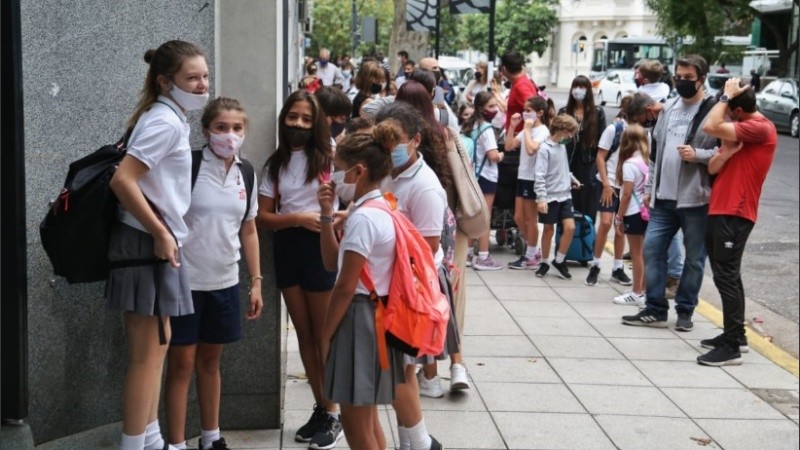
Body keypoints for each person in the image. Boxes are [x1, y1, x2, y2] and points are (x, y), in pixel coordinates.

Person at [107, 40, 208, 450]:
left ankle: (151, 440)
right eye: (192, 78)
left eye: (205, 76)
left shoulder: (169, 117)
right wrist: (162, 233)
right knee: (147, 358)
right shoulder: (164, 122)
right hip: (145, 242)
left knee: (158, 351)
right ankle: (136, 443)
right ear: (166, 82)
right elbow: (122, 180)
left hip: (152, 241)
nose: (203, 85)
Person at [165, 98, 263, 450]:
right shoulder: (188, 165)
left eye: (237, 128)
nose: (229, 135)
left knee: (210, 361)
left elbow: (248, 229)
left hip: (225, 282)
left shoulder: (246, 172)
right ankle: (176, 443)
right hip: (185, 282)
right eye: (221, 127)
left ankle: (210, 437)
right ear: (206, 130)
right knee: (182, 363)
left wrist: (256, 281)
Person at [256, 91, 344, 449]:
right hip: (287, 248)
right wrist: (297, 218)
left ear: (317, 122)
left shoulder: (330, 158)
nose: (299, 124)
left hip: (320, 247)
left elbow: (356, 201)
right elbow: (262, 217)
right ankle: (321, 407)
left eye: (307, 119)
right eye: (293, 117)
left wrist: (326, 218)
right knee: (304, 336)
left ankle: (334, 412)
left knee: (324, 335)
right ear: (283, 119)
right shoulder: (274, 164)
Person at [316, 130, 405, 450]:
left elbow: (344, 285)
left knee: (357, 428)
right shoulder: (378, 207)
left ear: (358, 171)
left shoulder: (364, 218)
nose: (334, 175)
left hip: (359, 319)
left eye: (339, 168)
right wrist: (326, 216)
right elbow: (332, 262)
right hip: (376, 315)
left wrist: (325, 336)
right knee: (368, 421)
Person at [622, 55, 719, 331]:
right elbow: (655, 154)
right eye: (678, 77)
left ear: (702, 79)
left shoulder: (713, 110)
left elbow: (724, 151)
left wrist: (698, 155)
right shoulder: (669, 109)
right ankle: (655, 308)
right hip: (663, 198)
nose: (682, 82)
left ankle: (685, 310)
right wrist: (649, 189)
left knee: (694, 259)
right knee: (652, 249)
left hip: (696, 199)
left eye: (688, 78)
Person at [369, 106, 444, 450]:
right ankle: (412, 441)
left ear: (416, 140)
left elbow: (428, 247)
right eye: (383, 139)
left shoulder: (425, 187)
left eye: (396, 140)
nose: (390, 147)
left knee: (402, 370)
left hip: (409, 290)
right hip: (391, 285)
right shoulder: (388, 171)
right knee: (402, 370)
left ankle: (419, 442)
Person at [392, 85, 470, 396]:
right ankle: (455, 365)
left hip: (426, 218)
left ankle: (432, 373)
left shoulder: (405, 138)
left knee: (431, 291)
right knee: (440, 292)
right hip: (443, 216)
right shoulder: (443, 127)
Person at [697, 78, 777, 365]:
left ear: (738, 111)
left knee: (726, 276)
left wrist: (724, 96)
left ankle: (731, 346)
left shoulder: (759, 127)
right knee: (727, 274)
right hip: (721, 209)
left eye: (729, 109)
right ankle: (737, 336)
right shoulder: (739, 133)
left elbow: (709, 126)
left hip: (736, 211)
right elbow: (712, 167)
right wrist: (728, 152)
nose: (726, 115)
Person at [627, 93, 684, 299]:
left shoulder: (672, 114)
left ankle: (674, 277)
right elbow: (654, 159)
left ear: (648, 110)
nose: (642, 125)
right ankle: (661, 282)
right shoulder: (659, 121)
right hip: (660, 187)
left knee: (671, 234)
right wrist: (650, 189)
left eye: (640, 120)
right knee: (657, 240)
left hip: (676, 187)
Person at [585, 96, 633, 287]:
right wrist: (606, 184)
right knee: (605, 223)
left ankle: (617, 268)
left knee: (620, 227)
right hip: (609, 182)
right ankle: (595, 265)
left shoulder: (640, 132)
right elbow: (600, 157)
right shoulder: (614, 129)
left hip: (627, 184)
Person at [505, 95, 554, 270]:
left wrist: (526, 130)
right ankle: (534, 249)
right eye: (524, 110)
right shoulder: (527, 129)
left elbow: (532, 149)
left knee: (530, 219)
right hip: (522, 176)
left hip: (534, 178)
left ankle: (530, 256)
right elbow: (509, 146)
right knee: (518, 217)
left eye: (528, 110)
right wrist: (512, 126)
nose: (525, 114)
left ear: (539, 113)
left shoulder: (543, 131)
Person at [533, 115, 581, 280]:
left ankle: (559, 260)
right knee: (548, 229)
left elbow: (563, 168)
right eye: (570, 133)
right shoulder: (544, 149)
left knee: (570, 227)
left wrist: (572, 178)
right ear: (562, 130)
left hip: (565, 195)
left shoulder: (562, 147)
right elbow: (540, 174)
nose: (571, 137)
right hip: (550, 196)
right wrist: (541, 198)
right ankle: (545, 262)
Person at [462, 91, 505, 271]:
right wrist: (502, 155)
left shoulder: (472, 125)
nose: (495, 109)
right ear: (481, 108)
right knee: (485, 218)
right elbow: (493, 155)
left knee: (473, 216)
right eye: (491, 106)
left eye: (495, 105)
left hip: (474, 175)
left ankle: (467, 253)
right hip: (487, 176)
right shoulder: (486, 129)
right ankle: (483, 257)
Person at [558, 75, 606, 223]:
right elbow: (557, 138)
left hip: (589, 164)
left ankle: (586, 234)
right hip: (567, 163)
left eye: (582, 87)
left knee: (588, 204)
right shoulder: (564, 112)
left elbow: (603, 143)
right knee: (568, 206)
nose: (578, 90)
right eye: (575, 86)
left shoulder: (597, 112)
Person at [612, 124, 651, 306]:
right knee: (645, 254)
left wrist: (618, 217)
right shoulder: (646, 162)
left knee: (636, 254)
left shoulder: (629, 164)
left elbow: (626, 194)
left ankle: (636, 293)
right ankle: (644, 292)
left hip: (633, 212)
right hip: (646, 211)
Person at [500, 50, 539, 136]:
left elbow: (534, 112)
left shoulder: (521, 86)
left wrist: (519, 138)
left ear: (504, 69)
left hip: (520, 139)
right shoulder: (520, 82)